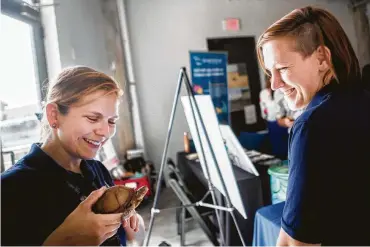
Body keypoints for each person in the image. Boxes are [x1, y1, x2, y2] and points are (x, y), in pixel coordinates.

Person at [257, 6, 370, 246]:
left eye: (282, 69)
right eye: (270, 72)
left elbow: (294, 243)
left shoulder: (313, 125)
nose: (275, 83)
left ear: (321, 58)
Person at [1, 66, 145, 246]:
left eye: (111, 121)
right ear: (54, 115)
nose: (105, 132)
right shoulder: (11, 189)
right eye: (93, 118)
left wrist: (131, 227)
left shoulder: (97, 169)